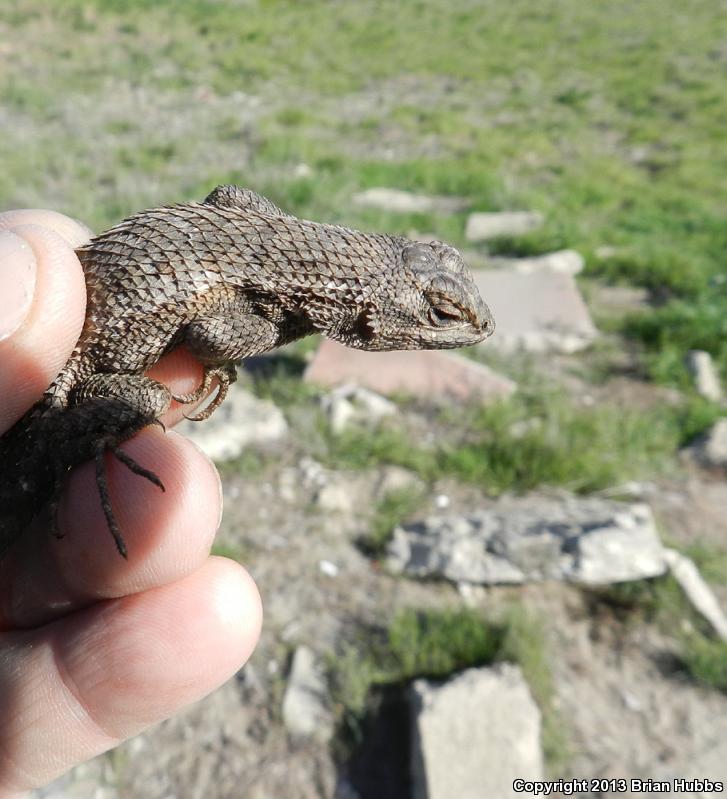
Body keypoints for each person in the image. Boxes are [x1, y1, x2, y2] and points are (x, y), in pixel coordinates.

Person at [0, 210, 262, 796]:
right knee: (145, 399)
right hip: (71, 373)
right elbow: (212, 337)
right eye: (439, 317)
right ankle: (82, 443)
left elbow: (231, 196)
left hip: (96, 304)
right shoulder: (264, 321)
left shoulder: (261, 218)